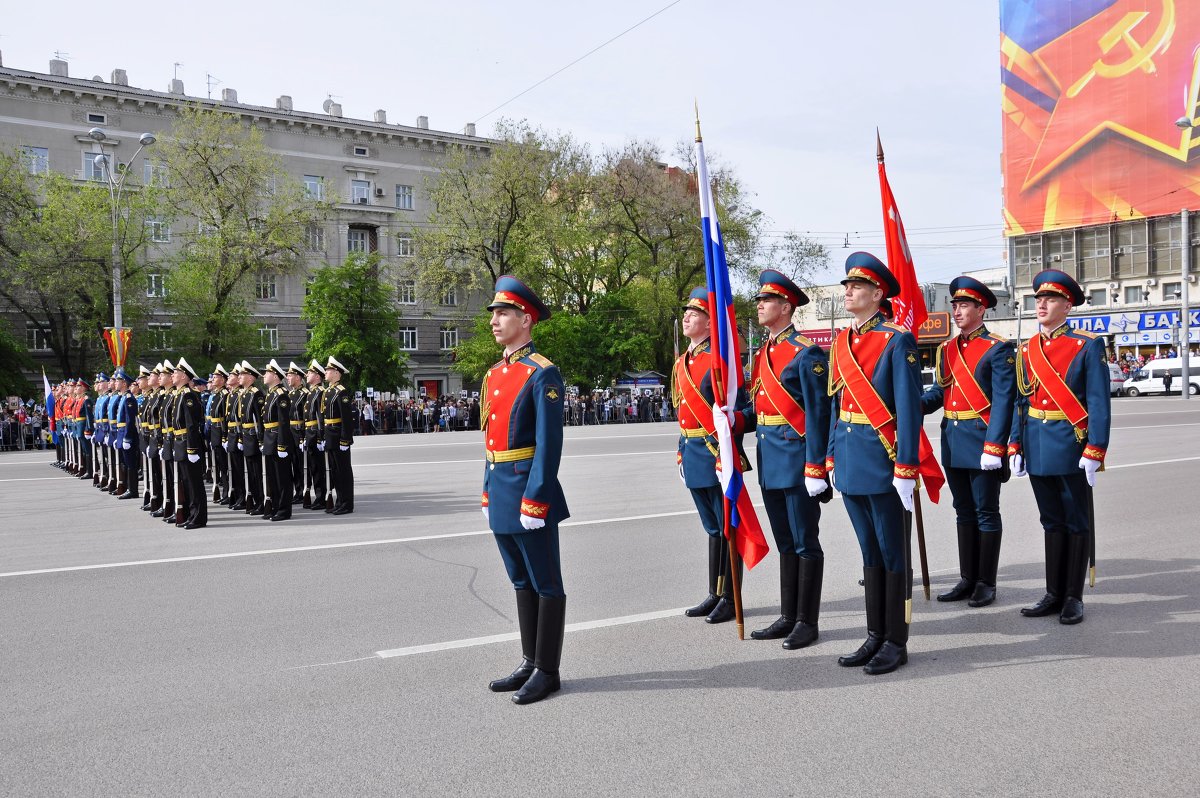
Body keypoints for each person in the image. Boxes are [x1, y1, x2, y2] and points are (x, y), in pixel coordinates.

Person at [826, 252, 923, 675]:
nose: (849, 292)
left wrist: (906, 467)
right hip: (850, 460)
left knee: (892, 553)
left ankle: (895, 641)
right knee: (869, 553)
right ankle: (873, 634)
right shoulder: (841, 342)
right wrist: (829, 454)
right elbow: (836, 407)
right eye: (847, 286)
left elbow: (909, 407)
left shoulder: (896, 340)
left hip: (883, 463)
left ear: (878, 293)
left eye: (858, 287)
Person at [481, 275, 569, 705]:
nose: (495, 321)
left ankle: (547, 670)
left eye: (503, 314)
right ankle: (529, 659)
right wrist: (486, 490)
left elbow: (549, 447)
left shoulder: (543, 373)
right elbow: (490, 440)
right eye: (494, 314)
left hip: (529, 495)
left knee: (545, 581)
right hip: (501, 490)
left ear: (526, 320)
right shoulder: (494, 373)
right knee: (520, 581)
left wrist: (536, 498)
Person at [1009, 269, 1111, 625]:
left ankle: (1073, 596)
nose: (1041, 304)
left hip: (1071, 446)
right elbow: (1022, 401)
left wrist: (1095, 450)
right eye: (1038, 299)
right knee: (1051, 521)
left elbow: (1098, 402)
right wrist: (1015, 445)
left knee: (1075, 521)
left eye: (1049, 299)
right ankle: (1053, 592)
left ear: (1067, 304)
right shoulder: (1027, 348)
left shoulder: (1086, 344)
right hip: (1036, 445)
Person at [744, 270, 832, 649]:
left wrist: (817, 466)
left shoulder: (806, 353)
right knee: (784, 541)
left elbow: (819, 413)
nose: (760, 305)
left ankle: (807, 622)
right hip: (770, 458)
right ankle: (788, 614)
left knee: (804, 541)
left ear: (786, 307)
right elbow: (759, 409)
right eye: (760, 299)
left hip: (797, 461)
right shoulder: (763, 352)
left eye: (767, 300)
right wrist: (732, 420)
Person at [920, 276, 1016, 607]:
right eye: (955, 305)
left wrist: (996, 446)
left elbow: (1005, 400)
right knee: (963, 511)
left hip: (982, 442)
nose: (957, 311)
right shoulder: (946, 349)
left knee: (986, 511)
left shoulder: (998, 348)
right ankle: (967, 578)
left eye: (963, 306)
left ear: (981, 309)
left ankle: (986, 582)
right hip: (954, 438)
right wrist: (910, 403)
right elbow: (939, 393)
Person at [672, 287, 752, 626]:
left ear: (710, 322)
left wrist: (732, 433)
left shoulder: (721, 361)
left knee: (727, 528)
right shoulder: (681, 363)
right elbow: (683, 411)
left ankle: (731, 597)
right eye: (687, 312)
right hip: (692, 453)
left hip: (715, 453)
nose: (687, 317)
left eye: (695, 313)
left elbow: (745, 409)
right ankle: (714, 591)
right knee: (712, 528)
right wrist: (680, 451)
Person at [174, 360, 208, 529]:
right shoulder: (179, 394)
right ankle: (190, 514)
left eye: (175, 372)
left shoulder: (188, 395)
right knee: (187, 482)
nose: (173, 375)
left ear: (183, 376)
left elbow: (191, 425)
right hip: (180, 443)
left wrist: (192, 449)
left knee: (195, 484)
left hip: (188, 444)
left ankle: (199, 518)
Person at [261, 359, 295, 522]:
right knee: (272, 477)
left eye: (267, 373)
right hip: (269, 439)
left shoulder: (281, 395)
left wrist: (282, 445)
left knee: (282, 477)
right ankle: (275, 506)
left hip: (277, 440)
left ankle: (283, 510)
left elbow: (283, 423)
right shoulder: (271, 394)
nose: (264, 375)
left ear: (275, 376)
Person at [321, 357, 354, 515]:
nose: (325, 372)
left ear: (335, 372)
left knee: (343, 471)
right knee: (335, 471)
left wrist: (345, 439)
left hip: (338, 436)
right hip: (330, 435)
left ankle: (347, 503)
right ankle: (340, 501)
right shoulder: (329, 391)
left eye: (327, 370)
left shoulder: (342, 392)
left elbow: (347, 418)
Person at [238, 361, 267, 516]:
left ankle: (263, 501)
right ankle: (256, 501)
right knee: (251, 472)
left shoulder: (256, 394)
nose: (239, 377)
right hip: (246, 437)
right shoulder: (245, 393)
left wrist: (261, 440)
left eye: (242, 374)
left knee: (258, 472)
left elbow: (260, 420)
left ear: (250, 377)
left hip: (254, 438)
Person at [303, 360, 327, 510]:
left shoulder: (320, 393)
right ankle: (318, 496)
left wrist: (320, 437)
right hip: (309, 434)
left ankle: (321, 497)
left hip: (315, 435)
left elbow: (320, 418)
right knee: (313, 467)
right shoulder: (312, 392)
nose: (307, 375)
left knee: (319, 468)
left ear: (317, 376)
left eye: (310, 373)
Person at [206, 365, 231, 504]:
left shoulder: (224, 395)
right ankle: (225, 492)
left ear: (222, 379)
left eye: (216, 377)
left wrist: (224, 437)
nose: (213, 379)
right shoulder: (216, 395)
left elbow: (225, 419)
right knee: (220, 466)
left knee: (225, 466)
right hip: (214, 434)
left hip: (221, 434)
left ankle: (228, 491)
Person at [286, 363, 308, 504]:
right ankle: (298, 490)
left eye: (290, 375)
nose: (287, 378)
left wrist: (304, 436)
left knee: (302, 465)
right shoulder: (291, 394)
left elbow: (308, 417)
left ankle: (304, 490)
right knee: (294, 463)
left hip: (300, 433)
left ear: (298, 377)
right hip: (291, 433)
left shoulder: (304, 394)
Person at [225, 364, 246, 510]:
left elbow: (241, 419)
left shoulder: (240, 395)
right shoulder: (231, 395)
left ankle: (243, 496)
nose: (230, 377)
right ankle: (237, 496)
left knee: (241, 469)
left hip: (238, 435)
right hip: (231, 434)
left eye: (232, 375)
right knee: (234, 469)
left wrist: (239, 438)